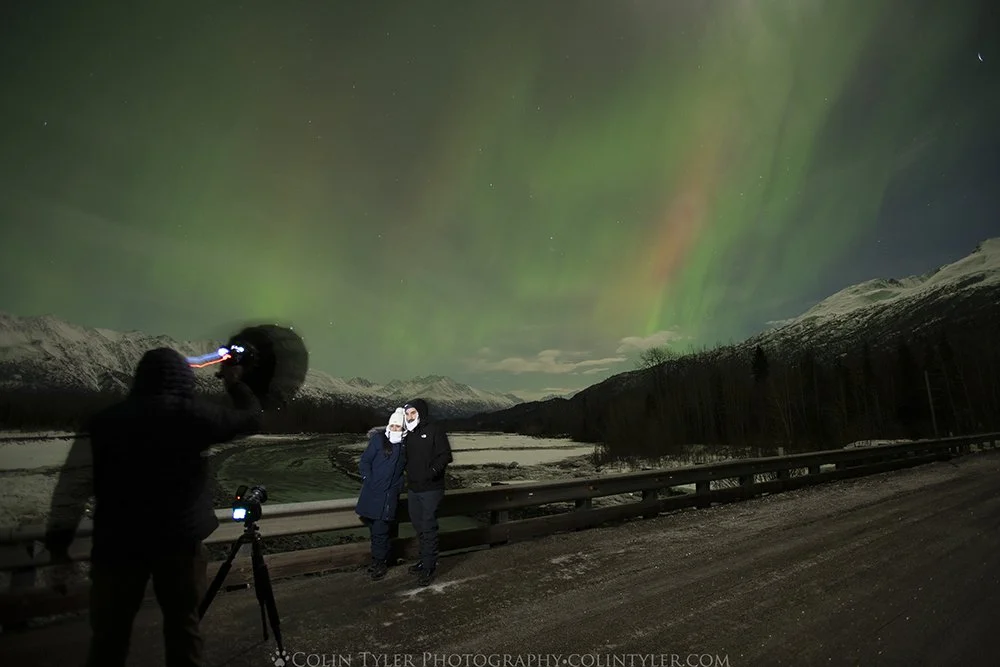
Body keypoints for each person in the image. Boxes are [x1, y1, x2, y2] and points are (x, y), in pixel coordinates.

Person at [45, 347, 263, 667]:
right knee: (183, 629)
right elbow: (252, 418)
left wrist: (58, 549)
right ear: (182, 379)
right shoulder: (194, 416)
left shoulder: (105, 422)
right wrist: (234, 382)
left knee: (109, 637)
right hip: (179, 545)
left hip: (116, 546)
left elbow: (71, 490)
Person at [401, 398, 452, 586]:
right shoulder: (408, 434)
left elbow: (446, 455)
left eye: (413, 413)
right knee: (419, 526)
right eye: (407, 414)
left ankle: (429, 568)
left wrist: (431, 473)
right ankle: (423, 560)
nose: (409, 416)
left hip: (431, 489)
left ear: (421, 413)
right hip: (414, 489)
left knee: (428, 527)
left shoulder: (435, 430)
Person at [355, 407, 408, 580]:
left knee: (380, 530)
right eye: (392, 426)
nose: (394, 429)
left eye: (397, 427)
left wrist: (398, 486)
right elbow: (365, 462)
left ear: (403, 428)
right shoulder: (378, 440)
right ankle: (383, 558)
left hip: (387, 496)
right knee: (373, 526)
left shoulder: (405, 446)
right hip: (371, 492)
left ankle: (379, 563)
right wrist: (368, 479)